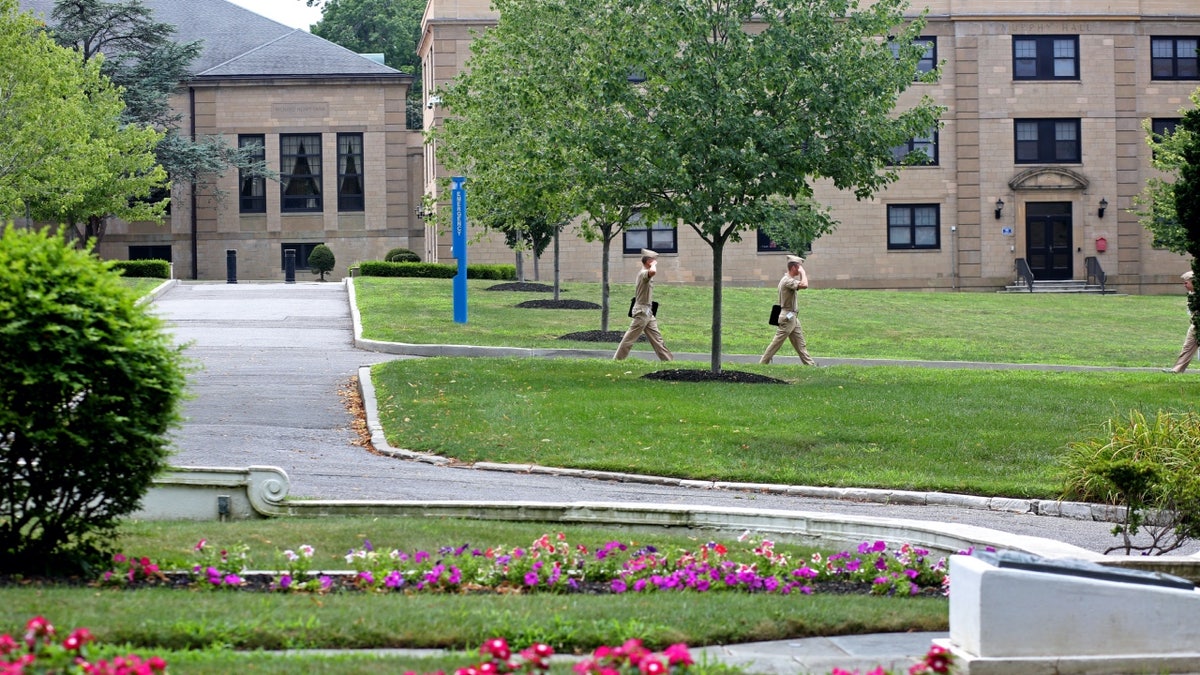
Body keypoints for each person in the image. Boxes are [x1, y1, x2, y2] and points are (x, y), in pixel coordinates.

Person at [614, 249, 673, 361]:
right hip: (641, 312)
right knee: (629, 338)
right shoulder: (643, 274)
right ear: (648, 261)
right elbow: (653, 272)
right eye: (654, 260)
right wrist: (653, 265)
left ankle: (668, 361)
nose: (656, 262)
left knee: (657, 338)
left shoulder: (645, 274)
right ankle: (617, 359)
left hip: (648, 312)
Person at [760, 255, 817, 366]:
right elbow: (805, 285)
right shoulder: (787, 281)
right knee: (777, 343)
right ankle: (762, 363)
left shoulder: (787, 280)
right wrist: (803, 273)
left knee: (800, 343)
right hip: (788, 317)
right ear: (794, 267)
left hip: (792, 316)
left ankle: (811, 365)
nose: (800, 269)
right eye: (799, 267)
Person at [1164, 270, 1197, 373]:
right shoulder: (1191, 293)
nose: (1184, 285)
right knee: (1187, 347)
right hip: (1195, 325)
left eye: (1186, 282)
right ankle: (1177, 370)